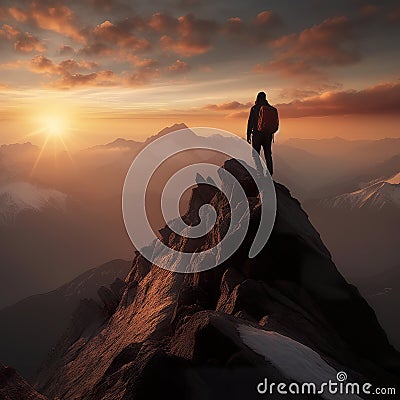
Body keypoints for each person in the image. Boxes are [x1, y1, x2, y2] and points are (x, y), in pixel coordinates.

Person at [246, 91, 279, 175]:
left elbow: (250, 122)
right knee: (268, 154)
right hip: (268, 135)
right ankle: (269, 173)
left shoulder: (254, 108)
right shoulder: (270, 108)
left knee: (255, 154)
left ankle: (259, 172)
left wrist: (248, 135)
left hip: (257, 135)